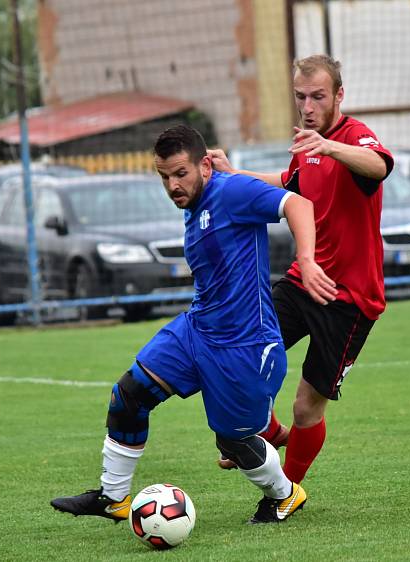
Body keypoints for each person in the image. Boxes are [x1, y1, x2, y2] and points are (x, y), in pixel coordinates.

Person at [50, 125, 335, 524]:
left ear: (204, 164)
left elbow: (298, 205)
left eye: (180, 173)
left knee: (233, 441)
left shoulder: (231, 192)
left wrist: (306, 260)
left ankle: (285, 494)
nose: (172, 185)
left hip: (244, 346)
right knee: (128, 396)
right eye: (164, 176)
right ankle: (113, 498)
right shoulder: (195, 207)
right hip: (196, 330)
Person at [208, 54, 393, 482]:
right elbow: (290, 182)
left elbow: (379, 166)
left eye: (317, 97)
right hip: (301, 283)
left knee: (306, 406)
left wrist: (330, 146)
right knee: (241, 348)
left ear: (339, 96)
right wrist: (234, 174)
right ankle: (268, 433)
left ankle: (286, 491)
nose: (307, 107)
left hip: (349, 298)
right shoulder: (307, 145)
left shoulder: (354, 136)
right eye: (300, 97)